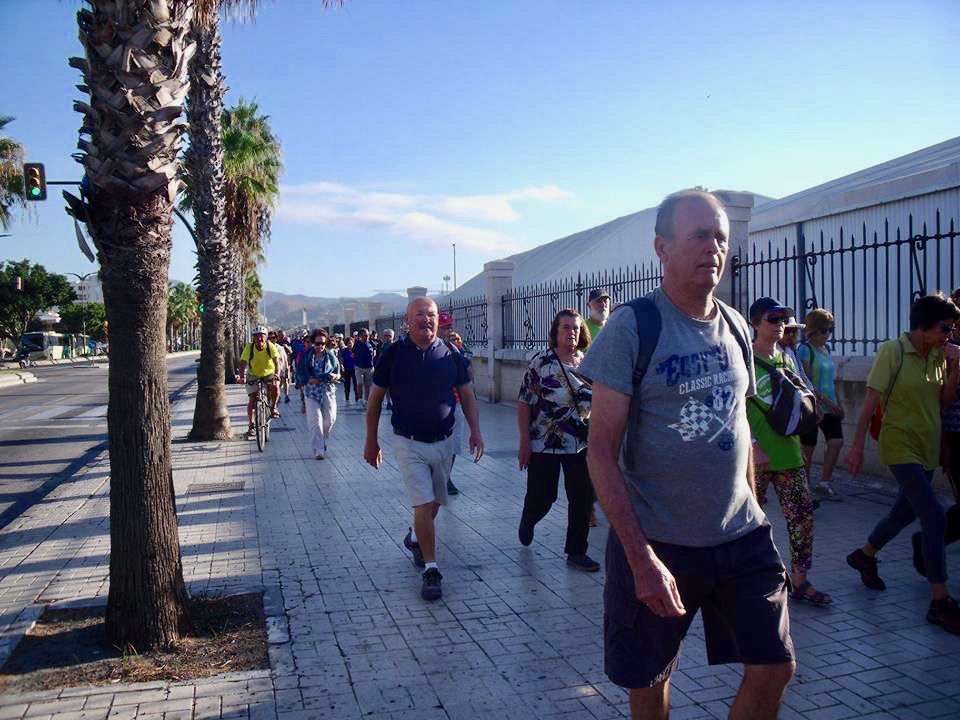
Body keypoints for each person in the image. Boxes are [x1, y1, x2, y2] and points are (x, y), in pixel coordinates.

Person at [581, 189, 794, 720]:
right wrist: (639, 559)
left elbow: (738, 424)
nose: (714, 248)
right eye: (699, 236)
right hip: (659, 541)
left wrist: (753, 505)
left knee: (775, 666)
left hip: (741, 537)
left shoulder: (737, 325)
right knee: (652, 679)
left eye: (721, 237)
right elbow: (600, 451)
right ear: (662, 248)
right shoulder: (633, 326)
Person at [845, 292, 960, 634]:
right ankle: (940, 601)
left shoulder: (939, 355)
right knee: (935, 516)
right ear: (923, 326)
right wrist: (856, 447)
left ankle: (864, 555)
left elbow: (942, 403)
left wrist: (956, 369)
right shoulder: (892, 351)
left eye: (952, 328)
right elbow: (869, 404)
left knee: (904, 513)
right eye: (945, 328)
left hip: (927, 447)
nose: (950, 334)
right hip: (899, 446)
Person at [364, 297, 484, 601]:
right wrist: (371, 441)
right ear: (407, 320)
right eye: (419, 314)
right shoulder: (393, 354)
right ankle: (431, 569)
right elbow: (375, 400)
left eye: (431, 314)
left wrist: (476, 431)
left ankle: (416, 536)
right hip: (408, 442)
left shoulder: (451, 354)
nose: (426, 319)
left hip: (444, 443)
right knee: (423, 502)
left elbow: (467, 395)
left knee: (435, 503)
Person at [747, 297, 832, 607]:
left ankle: (800, 581)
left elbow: (802, 393)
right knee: (750, 525)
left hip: (789, 453)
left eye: (783, 318)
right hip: (754, 459)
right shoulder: (743, 359)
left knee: (802, 519)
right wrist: (752, 444)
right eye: (773, 318)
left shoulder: (787, 358)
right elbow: (731, 407)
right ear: (755, 323)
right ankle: (754, 579)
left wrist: (812, 408)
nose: (780, 324)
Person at [517, 309, 598, 571]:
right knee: (543, 496)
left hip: (581, 445)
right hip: (545, 442)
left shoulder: (590, 363)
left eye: (576, 328)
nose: (571, 332)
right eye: (566, 327)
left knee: (582, 498)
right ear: (555, 331)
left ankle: (576, 551)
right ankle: (529, 518)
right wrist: (524, 442)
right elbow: (524, 403)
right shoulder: (541, 363)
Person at [912, 288, 960, 576]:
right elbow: (940, 400)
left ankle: (928, 542)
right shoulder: (943, 348)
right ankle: (929, 542)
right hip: (954, 434)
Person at [797, 309, 845, 501]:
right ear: (813, 330)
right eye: (824, 330)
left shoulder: (827, 349)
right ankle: (804, 489)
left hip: (830, 405)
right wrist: (827, 402)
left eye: (830, 330)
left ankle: (824, 483)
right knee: (808, 449)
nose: (827, 334)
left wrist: (837, 403)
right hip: (813, 406)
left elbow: (830, 380)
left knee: (836, 442)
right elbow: (806, 381)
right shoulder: (805, 350)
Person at [297, 329, 340, 459]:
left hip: (328, 390)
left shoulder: (331, 356)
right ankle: (318, 449)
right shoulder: (306, 357)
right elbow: (300, 374)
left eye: (323, 343)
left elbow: (338, 373)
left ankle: (322, 440)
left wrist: (335, 376)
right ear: (312, 343)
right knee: (316, 422)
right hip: (311, 391)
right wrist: (309, 380)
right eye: (317, 343)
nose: (320, 346)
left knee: (330, 420)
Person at [238, 326, 281, 440]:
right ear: (253, 338)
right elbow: (242, 363)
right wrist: (241, 377)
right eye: (257, 337)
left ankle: (274, 407)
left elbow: (277, 362)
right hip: (253, 374)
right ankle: (251, 426)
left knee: (275, 386)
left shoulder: (270, 347)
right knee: (252, 399)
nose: (259, 339)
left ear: (266, 338)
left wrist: (277, 374)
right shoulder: (249, 347)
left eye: (262, 337)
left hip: (269, 373)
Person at [353, 328, 376, 408]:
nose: (367, 336)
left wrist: (371, 358)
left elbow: (374, 352)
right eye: (365, 335)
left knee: (367, 385)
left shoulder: (371, 343)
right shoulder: (357, 344)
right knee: (359, 384)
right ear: (360, 336)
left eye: (368, 335)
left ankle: (366, 401)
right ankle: (360, 400)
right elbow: (353, 354)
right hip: (359, 367)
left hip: (369, 367)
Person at [339, 337, 358, 406]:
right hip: (347, 369)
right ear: (346, 344)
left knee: (356, 384)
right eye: (348, 343)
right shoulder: (344, 351)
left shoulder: (356, 350)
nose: (350, 345)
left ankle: (357, 397)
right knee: (347, 384)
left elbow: (359, 359)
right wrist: (341, 365)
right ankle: (347, 396)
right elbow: (342, 359)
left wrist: (355, 357)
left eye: (351, 343)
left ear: (353, 343)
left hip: (355, 369)